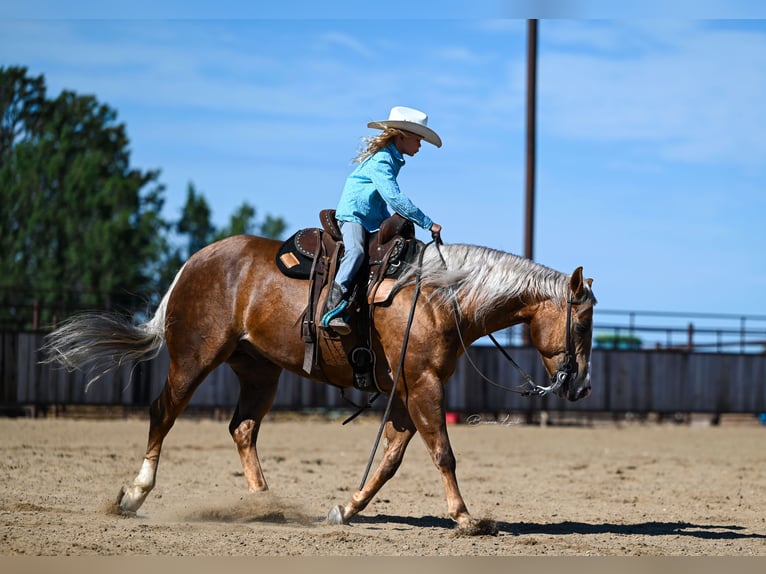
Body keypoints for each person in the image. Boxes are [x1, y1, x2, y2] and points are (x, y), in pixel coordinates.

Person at [320, 106, 443, 335]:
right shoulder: (382, 160)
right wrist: (427, 223)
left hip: (374, 218)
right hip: (354, 215)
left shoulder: (392, 159)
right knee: (356, 252)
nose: (420, 145)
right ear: (402, 136)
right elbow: (394, 197)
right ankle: (333, 305)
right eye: (418, 139)